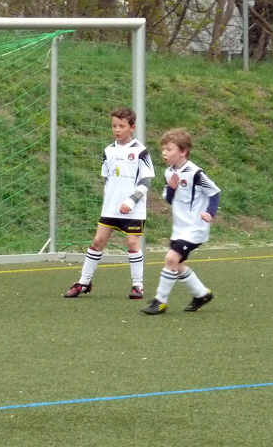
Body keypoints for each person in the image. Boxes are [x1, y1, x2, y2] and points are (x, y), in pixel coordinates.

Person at [65, 107, 156, 300]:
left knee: (132, 243)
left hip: (133, 210)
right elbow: (107, 179)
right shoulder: (108, 151)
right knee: (98, 241)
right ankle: (83, 282)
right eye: (114, 126)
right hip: (111, 208)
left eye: (122, 126)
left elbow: (146, 181)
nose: (117, 130)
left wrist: (131, 201)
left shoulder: (141, 151)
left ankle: (138, 285)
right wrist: (110, 200)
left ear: (132, 128)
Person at [142, 128, 220, 315]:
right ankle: (202, 294)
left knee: (170, 259)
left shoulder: (195, 173)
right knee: (175, 265)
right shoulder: (169, 172)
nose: (164, 153)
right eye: (163, 149)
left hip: (195, 227)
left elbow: (214, 192)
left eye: (169, 149)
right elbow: (170, 199)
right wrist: (171, 188)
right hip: (180, 228)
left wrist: (210, 213)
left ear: (183, 151)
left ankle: (160, 301)